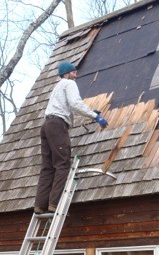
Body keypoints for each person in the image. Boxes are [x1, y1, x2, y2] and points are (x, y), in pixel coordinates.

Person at [34, 61, 108, 214]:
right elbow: (75, 103)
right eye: (73, 72)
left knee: (47, 166)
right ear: (66, 74)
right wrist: (95, 116)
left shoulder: (58, 87)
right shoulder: (69, 83)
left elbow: (68, 107)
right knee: (62, 163)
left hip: (47, 125)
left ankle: (40, 205)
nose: (76, 75)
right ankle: (54, 203)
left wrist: (88, 111)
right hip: (57, 125)